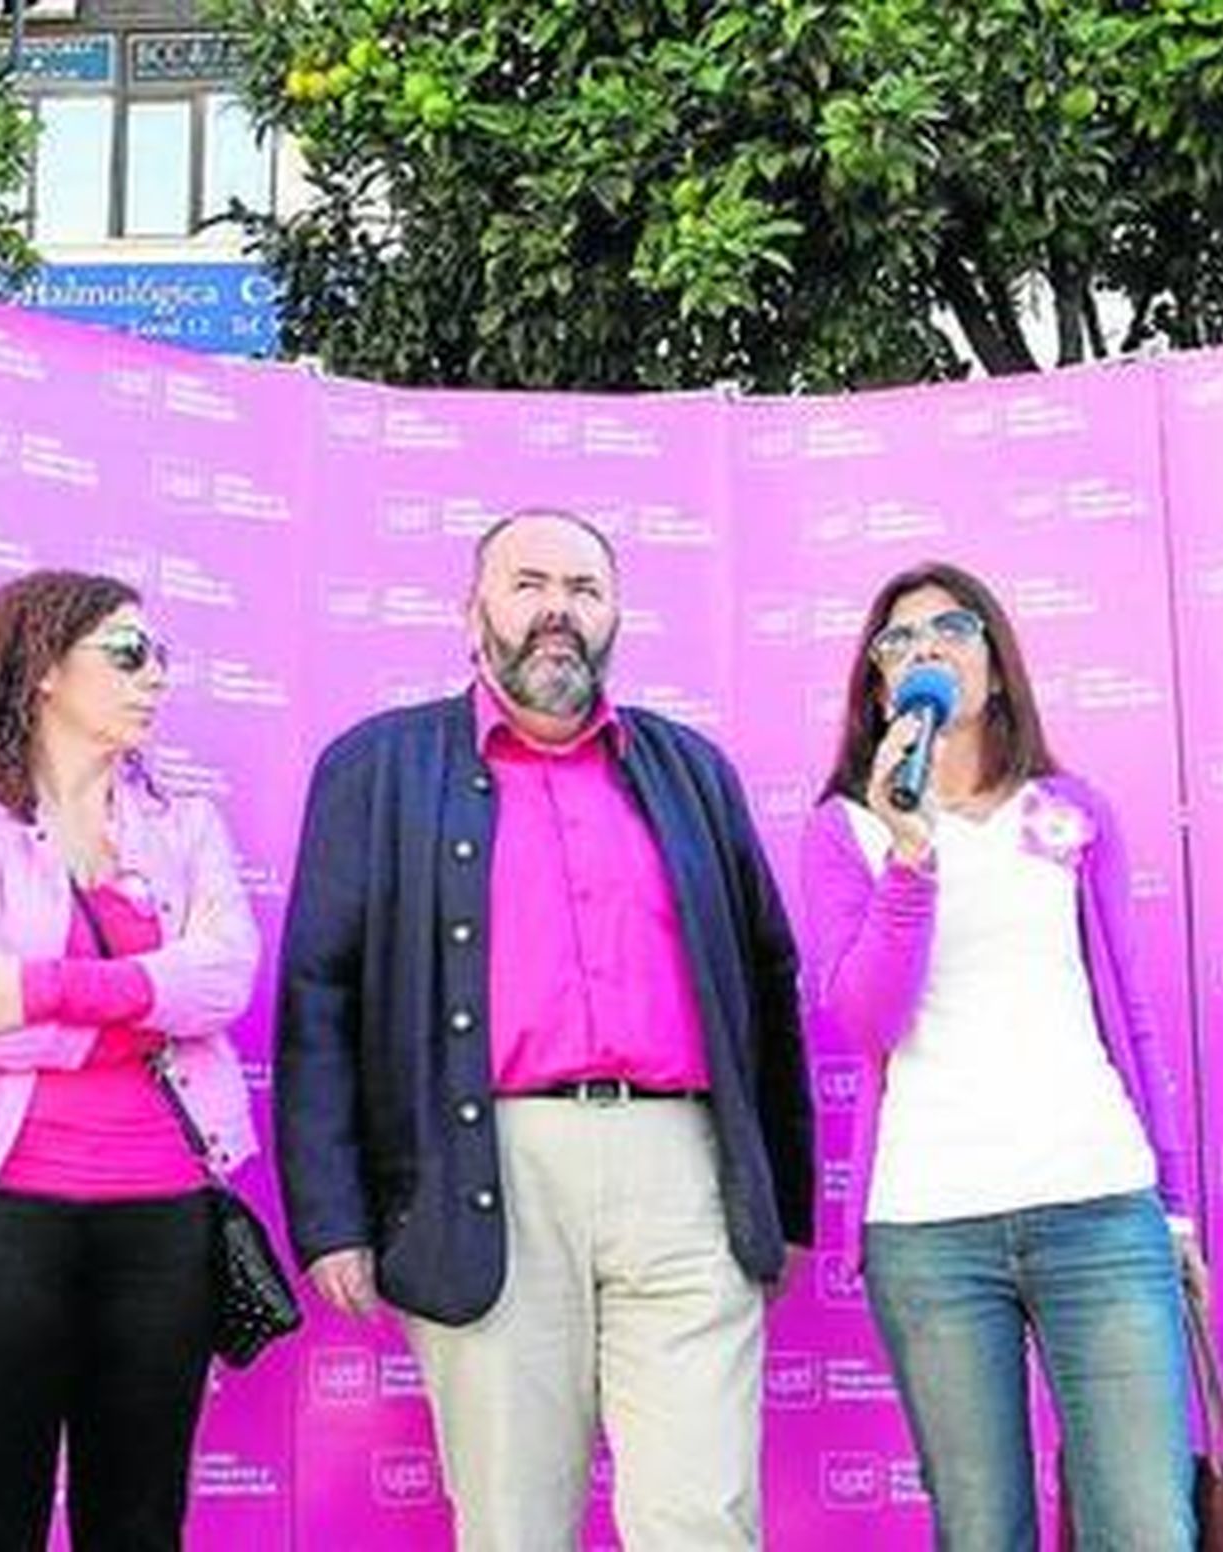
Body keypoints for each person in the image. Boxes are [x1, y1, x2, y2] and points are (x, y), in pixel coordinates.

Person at [275, 509, 813, 1552]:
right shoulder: (376, 768)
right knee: (514, 1523)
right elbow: (319, 998)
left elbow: (766, 981)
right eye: (528, 584)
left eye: (584, 589)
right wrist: (331, 1217)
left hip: (686, 1171)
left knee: (703, 1515)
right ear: (471, 611)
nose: (557, 609)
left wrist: (786, 1200)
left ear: (614, 617)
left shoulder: (692, 771)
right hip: (484, 1169)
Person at [799, 560, 1206, 1551]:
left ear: (993, 663)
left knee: (1145, 1524)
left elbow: (1129, 1017)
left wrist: (1173, 1204)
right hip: (930, 1227)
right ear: (879, 689)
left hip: (1098, 1203)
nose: (926, 649)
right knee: (982, 1530)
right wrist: (910, 856)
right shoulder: (846, 830)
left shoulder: (1070, 810)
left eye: (953, 628)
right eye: (898, 640)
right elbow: (867, 1019)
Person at [0, 570, 258, 1551]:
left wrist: (45, 986)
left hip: (163, 1224)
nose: (155, 677)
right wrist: (153, 1002)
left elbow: (225, 981)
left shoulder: (185, 824)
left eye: (160, 657)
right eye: (129, 653)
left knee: (139, 1527)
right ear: (45, 666)